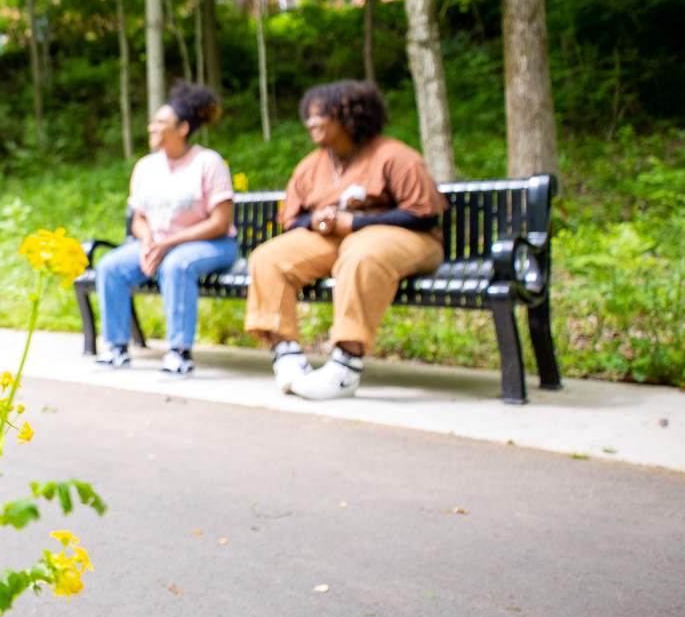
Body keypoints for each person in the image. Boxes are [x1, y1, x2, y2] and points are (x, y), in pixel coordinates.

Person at [246, 80, 446, 401]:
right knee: (268, 258)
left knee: (362, 253)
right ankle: (287, 356)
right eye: (308, 116)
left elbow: (423, 214)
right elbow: (292, 220)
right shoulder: (311, 165)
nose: (311, 123)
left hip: (405, 239)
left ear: (352, 116)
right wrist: (315, 220)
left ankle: (345, 366)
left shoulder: (394, 156)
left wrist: (356, 221)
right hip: (333, 241)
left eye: (321, 114)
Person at [94, 83, 239, 376]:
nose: (152, 127)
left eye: (160, 122)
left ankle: (179, 352)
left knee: (177, 265)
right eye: (153, 121)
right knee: (110, 266)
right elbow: (139, 218)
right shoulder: (145, 167)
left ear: (183, 128)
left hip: (212, 243)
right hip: (159, 242)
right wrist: (148, 241)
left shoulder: (208, 162)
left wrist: (168, 243)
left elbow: (220, 222)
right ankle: (117, 348)